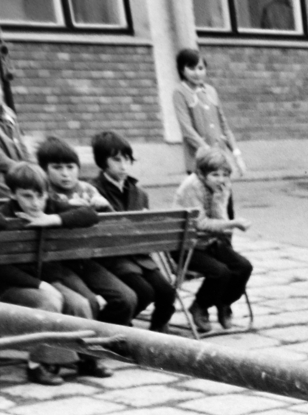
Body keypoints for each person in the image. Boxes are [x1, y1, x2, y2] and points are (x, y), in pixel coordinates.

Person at [0, 162, 108, 384]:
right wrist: (38, 284)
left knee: (80, 303)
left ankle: (87, 357)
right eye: (27, 196)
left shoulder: (49, 206)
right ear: (12, 194)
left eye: (40, 196)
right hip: (10, 284)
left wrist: (53, 218)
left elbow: (90, 214)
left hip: (43, 278)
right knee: (49, 301)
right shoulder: (3, 217)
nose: (36, 203)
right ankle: (38, 364)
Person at [33, 135, 139, 328]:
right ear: (44, 170)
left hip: (86, 260)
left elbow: (112, 227)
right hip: (57, 264)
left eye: (70, 167)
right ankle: (86, 349)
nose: (65, 174)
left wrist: (105, 207)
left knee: (127, 298)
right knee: (89, 302)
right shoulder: (41, 193)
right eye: (57, 168)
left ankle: (104, 338)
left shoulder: (87, 189)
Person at [89, 130, 178, 334]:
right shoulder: (93, 190)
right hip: (112, 258)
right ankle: (110, 327)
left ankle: (155, 333)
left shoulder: (139, 193)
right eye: (116, 160)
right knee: (144, 292)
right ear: (102, 161)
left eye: (127, 159)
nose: (123, 166)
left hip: (140, 256)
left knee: (167, 292)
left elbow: (147, 228)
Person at [175, 148, 252, 335]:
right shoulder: (192, 187)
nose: (221, 179)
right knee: (221, 272)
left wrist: (220, 200)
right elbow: (200, 223)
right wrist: (233, 223)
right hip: (187, 245)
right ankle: (200, 306)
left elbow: (221, 221)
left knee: (243, 267)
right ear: (201, 173)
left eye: (225, 174)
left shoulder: (221, 186)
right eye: (215, 174)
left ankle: (224, 303)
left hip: (209, 242)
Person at [171, 49, 245, 179]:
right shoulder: (180, 92)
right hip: (200, 163)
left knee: (225, 197)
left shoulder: (211, 91)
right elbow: (187, 129)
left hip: (220, 161)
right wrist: (207, 151)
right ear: (182, 70)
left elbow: (223, 125)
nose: (197, 73)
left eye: (200, 68)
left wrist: (236, 154)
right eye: (191, 68)